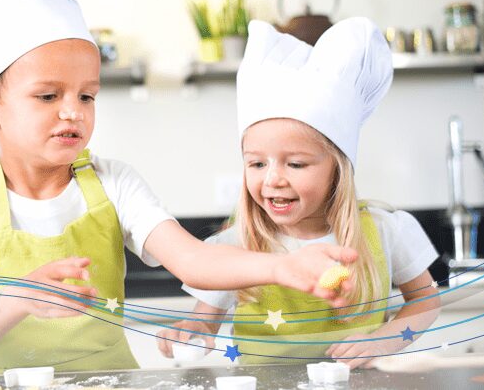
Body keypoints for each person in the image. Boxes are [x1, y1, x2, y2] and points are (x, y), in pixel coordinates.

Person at [0, 0, 357, 373]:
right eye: (48, 95)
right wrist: (19, 301)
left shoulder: (113, 182)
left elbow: (192, 259)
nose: (73, 111)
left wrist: (282, 266)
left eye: (87, 95)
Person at [157, 18, 441, 369]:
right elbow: (205, 323)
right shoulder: (233, 248)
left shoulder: (385, 231)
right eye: (257, 164)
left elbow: (425, 301)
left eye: (296, 164)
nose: (273, 179)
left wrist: (384, 340)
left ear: (337, 168)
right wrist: (190, 330)